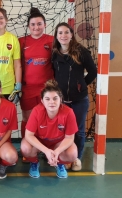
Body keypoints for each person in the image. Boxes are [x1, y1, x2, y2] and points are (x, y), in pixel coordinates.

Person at [52, 22, 97, 171]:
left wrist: (82, 85)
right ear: (56, 36)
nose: (63, 35)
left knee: (78, 130)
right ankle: (63, 156)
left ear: (71, 35)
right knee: (62, 130)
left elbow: (93, 71)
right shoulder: (55, 53)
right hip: (62, 101)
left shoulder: (81, 52)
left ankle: (76, 158)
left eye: (66, 32)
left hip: (79, 100)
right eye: (60, 33)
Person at [21, 80, 78, 179]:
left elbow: (69, 138)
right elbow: (28, 135)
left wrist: (57, 151)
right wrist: (46, 151)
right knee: (25, 147)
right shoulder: (37, 111)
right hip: (40, 142)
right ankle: (34, 163)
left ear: (60, 99)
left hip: (57, 143)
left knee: (72, 153)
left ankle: (59, 164)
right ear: (42, 101)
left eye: (55, 98)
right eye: (47, 99)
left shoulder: (68, 112)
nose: (52, 102)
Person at [18, 8, 54, 144]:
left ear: (44, 25)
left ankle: (47, 147)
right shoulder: (21, 42)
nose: (36, 27)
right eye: (33, 24)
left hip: (47, 88)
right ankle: (27, 148)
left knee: (47, 118)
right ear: (28, 26)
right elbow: (16, 64)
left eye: (39, 24)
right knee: (27, 118)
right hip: (27, 89)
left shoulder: (52, 40)